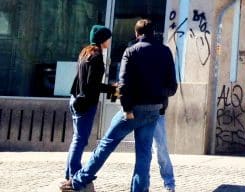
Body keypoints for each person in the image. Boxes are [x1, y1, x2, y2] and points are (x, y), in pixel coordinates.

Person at [61, 19, 178, 192]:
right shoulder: (166, 52)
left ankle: (77, 182)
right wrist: (157, 97)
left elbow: (122, 85)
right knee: (144, 154)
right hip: (154, 110)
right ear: (154, 33)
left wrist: (127, 109)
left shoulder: (131, 51)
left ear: (137, 34)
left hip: (133, 109)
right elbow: (172, 87)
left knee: (106, 144)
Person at [66, 25, 111, 181]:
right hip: (85, 103)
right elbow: (92, 85)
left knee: (77, 138)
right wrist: (111, 88)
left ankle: (70, 173)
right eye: (108, 38)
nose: (109, 41)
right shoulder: (97, 56)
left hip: (75, 99)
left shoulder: (85, 52)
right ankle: (74, 175)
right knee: (80, 139)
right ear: (102, 40)